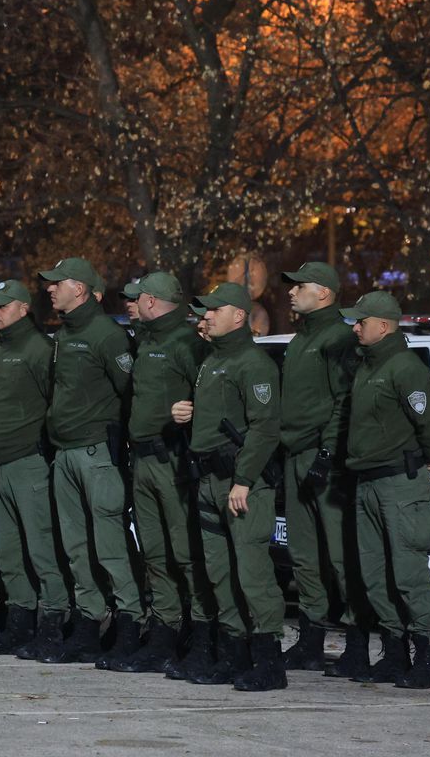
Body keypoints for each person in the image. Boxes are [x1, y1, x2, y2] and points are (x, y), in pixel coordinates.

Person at [171, 282, 284, 691]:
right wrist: (187, 413)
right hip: (208, 480)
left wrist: (244, 480)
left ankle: (269, 663)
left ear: (238, 316)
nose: (206, 317)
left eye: (214, 310)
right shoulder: (213, 360)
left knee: (253, 573)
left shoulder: (253, 364)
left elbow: (264, 428)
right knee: (219, 573)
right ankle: (235, 656)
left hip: (239, 484)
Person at [340, 290, 430, 689]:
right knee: (374, 575)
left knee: (408, 574)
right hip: (368, 482)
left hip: (399, 485)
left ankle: (427, 659)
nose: (356, 327)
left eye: (362, 321)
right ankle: (394, 653)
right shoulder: (368, 365)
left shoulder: (404, 367)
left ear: (383, 326)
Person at [37, 257, 143, 667]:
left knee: (110, 545)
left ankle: (130, 622)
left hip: (97, 453)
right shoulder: (64, 334)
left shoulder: (107, 336)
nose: (50, 289)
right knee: (76, 547)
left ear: (79, 288)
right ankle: (88, 622)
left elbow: (129, 392)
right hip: (65, 452)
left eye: (57, 283)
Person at [278, 262, 374, 677]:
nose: (291, 292)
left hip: (325, 461)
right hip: (295, 455)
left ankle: (357, 644)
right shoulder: (303, 338)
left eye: (300, 286)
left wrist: (327, 453)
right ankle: (311, 641)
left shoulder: (339, 338)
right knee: (304, 556)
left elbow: (344, 402)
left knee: (341, 556)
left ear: (323, 293)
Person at [112, 272, 210, 674]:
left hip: (173, 460)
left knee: (185, 552)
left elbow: (208, 398)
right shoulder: (148, 341)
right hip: (144, 460)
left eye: (137, 299)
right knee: (155, 553)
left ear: (151, 301)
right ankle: (164, 634)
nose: (132, 305)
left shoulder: (187, 343)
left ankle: (201, 633)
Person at [0, 280, 70, 658]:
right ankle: (20, 621)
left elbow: (53, 402)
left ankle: (53, 623)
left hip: (28, 463)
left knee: (42, 548)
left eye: (1, 306)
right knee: (8, 550)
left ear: (22, 308)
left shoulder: (39, 349)